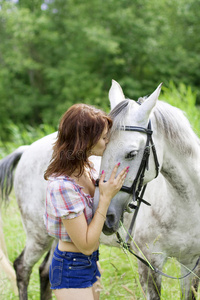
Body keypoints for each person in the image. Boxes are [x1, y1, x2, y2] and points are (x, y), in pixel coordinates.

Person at [44, 103, 129, 300]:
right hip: (71, 267)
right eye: (103, 137)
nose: (107, 141)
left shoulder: (88, 168)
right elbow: (86, 245)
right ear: (85, 140)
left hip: (91, 262)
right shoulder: (62, 187)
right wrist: (105, 198)